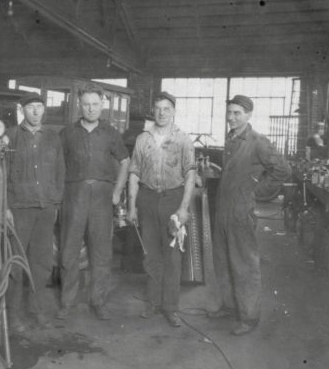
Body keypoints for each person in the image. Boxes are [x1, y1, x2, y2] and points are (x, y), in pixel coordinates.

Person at [209, 95, 291, 335]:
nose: (232, 117)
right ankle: (229, 305)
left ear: (249, 115)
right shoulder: (231, 139)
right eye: (230, 112)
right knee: (223, 260)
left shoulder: (257, 142)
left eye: (238, 113)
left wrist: (256, 192)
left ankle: (249, 317)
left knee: (244, 264)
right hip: (224, 209)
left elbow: (283, 170)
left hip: (241, 210)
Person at [58, 83, 130, 320]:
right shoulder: (67, 132)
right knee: (69, 249)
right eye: (86, 104)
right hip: (74, 194)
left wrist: (118, 191)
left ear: (102, 105)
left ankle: (98, 301)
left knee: (101, 251)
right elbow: (58, 166)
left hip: (102, 196)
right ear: (80, 105)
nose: (90, 109)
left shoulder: (111, 133)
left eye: (95, 104)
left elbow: (125, 162)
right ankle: (67, 302)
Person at [126, 92, 196, 327]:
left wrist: (183, 208)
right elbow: (134, 173)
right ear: (152, 111)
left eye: (166, 108)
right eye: (157, 108)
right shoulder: (142, 139)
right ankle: (153, 303)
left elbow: (190, 175)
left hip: (172, 200)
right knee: (151, 255)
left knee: (172, 257)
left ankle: (171, 308)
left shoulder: (183, 139)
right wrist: (132, 205)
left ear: (174, 111)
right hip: (146, 199)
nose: (161, 113)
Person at [5, 92, 65, 332]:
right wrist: (5, 207)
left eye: (39, 107)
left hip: (45, 208)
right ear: (22, 110)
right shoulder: (10, 137)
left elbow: (60, 171)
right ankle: (13, 316)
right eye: (30, 107)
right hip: (19, 210)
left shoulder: (52, 137)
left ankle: (37, 311)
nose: (36, 112)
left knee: (41, 264)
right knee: (16, 264)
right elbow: (2, 173)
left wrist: (56, 201)